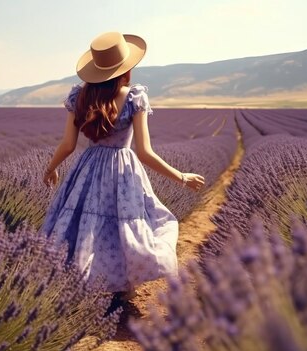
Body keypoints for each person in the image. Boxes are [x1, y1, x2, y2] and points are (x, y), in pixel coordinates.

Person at [40, 32, 205, 297]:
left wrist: (50, 168)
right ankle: (121, 285)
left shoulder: (78, 98)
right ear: (125, 70)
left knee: (85, 227)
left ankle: (81, 282)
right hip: (122, 171)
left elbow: (68, 145)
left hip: (88, 169)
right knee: (127, 226)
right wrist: (181, 177)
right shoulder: (133, 98)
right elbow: (145, 153)